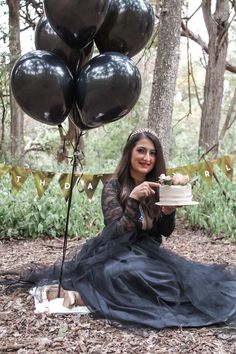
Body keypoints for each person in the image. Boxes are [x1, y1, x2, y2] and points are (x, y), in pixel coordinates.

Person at [1, 128, 236, 329]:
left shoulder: (158, 186)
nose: (147, 158)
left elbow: (165, 232)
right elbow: (116, 232)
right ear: (130, 153)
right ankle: (88, 294)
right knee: (121, 275)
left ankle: (116, 293)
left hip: (149, 253)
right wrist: (132, 199)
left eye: (152, 153)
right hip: (116, 252)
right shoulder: (113, 187)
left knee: (171, 279)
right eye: (141, 150)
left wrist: (169, 211)